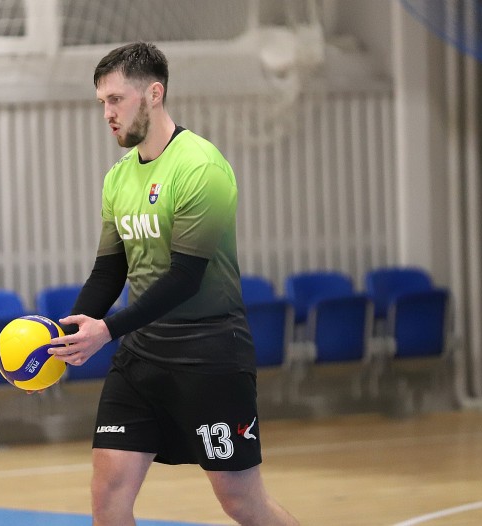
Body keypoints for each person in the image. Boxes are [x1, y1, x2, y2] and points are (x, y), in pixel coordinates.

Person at [48, 43, 298, 525]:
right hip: (142, 357)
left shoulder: (201, 167)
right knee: (108, 498)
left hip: (209, 355)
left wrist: (107, 330)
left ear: (154, 93)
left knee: (241, 502)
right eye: (102, 102)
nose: (107, 113)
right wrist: (58, 344)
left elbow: (185, 277)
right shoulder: (118, 178)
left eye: (116, 99)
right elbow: (108, 272)